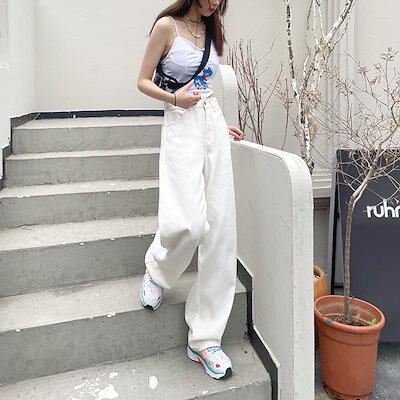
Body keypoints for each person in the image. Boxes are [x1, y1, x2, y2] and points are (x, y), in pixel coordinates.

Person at [136, 0, 244, 380]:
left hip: (210, 120)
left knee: (221, 229)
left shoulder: (214, 28)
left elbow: (206, 86)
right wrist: (174, 99)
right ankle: (158, 270)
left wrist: (219, 124)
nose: (216, 3)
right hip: (179, 121)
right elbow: (142, 81)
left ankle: (205, 338)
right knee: (190, 223)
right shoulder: (167, 26)